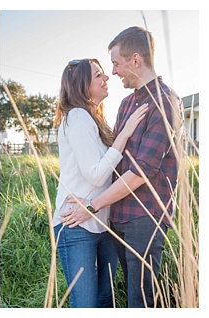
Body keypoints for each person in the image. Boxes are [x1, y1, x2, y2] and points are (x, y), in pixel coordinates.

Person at [64, 26, 183, 308]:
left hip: (144, 217)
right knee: (127, 296)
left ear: (136, 60)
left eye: (116, 64)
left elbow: (142, 170)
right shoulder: (127, 104)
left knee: (140, 301)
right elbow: (112, 161)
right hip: (117, 216)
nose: (113, 72)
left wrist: (91, 205)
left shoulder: (165, 102)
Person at [52, 58, 147, 308]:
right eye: (98, 75)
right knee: (86, 304)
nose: (106, 78)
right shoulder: (78, 117)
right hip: (75, 225)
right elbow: (96, 174)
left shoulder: (94, 118)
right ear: (82, 85)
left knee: (106, 299)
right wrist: (124, 134)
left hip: (101, 222)